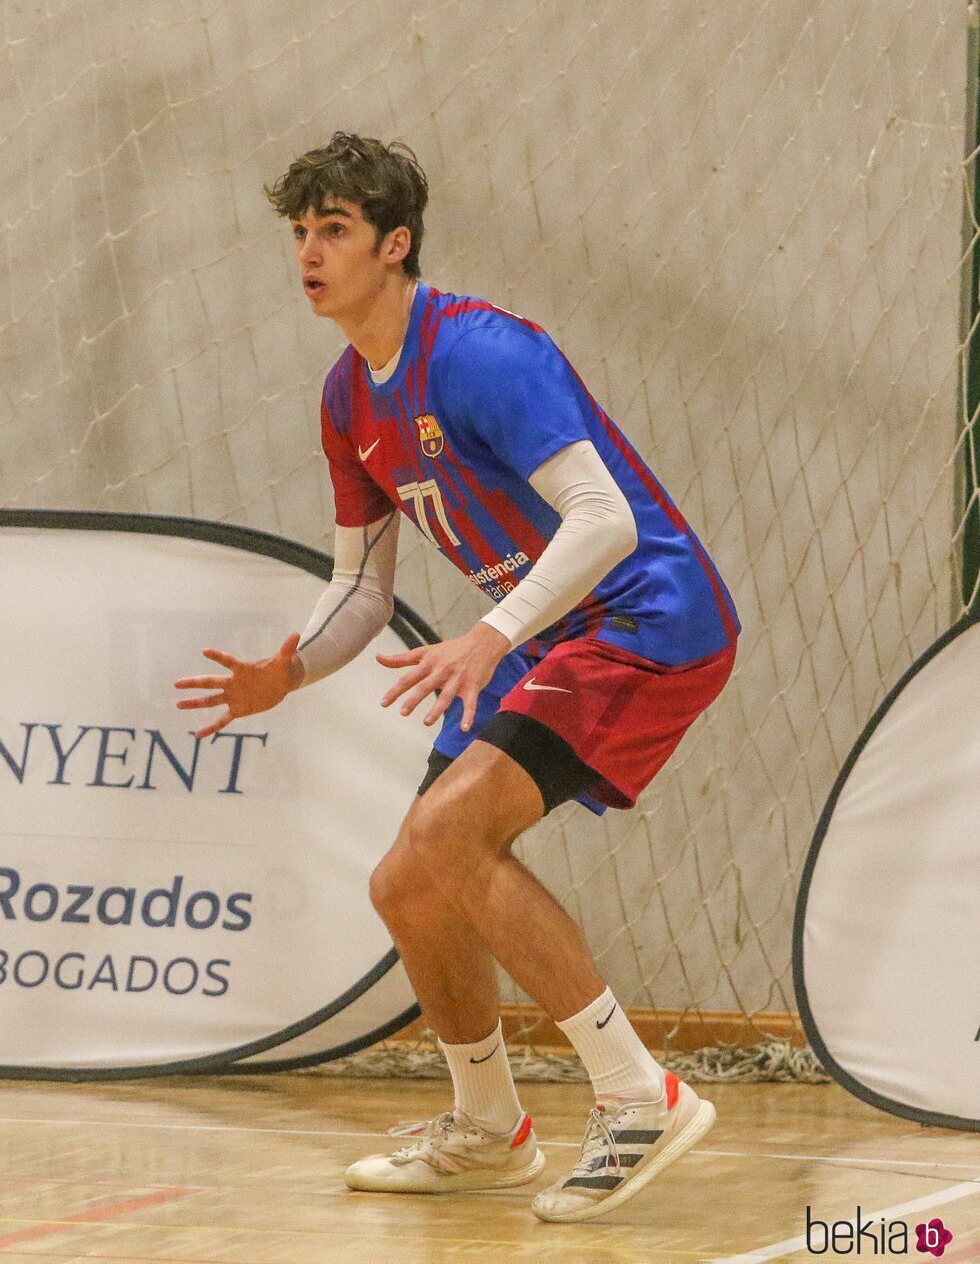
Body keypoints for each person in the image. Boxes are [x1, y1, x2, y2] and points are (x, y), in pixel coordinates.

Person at [174, 132, 739, 1223]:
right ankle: (488, 1129)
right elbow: (363, 591)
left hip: (643, 617)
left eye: (332, 230)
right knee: (406, 880)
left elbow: (604, 520)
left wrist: (492, 631)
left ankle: (637, 1093)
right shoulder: (347, 396)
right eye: (298, 232)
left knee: (447, 839)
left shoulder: (479, 352)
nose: (308, 251)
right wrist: (286, 671)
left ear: (395, 246)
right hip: (541, 633)